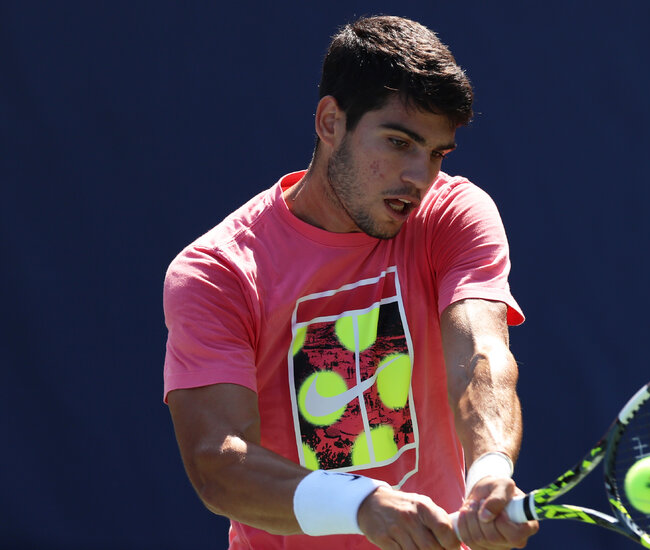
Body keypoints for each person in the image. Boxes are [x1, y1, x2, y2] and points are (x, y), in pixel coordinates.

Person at [162, 15, 538, 550]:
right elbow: (218, 464)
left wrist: (489, 469)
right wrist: (361, 505)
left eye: (436, 153)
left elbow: (481, 354)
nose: (420, 177)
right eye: (398, 142)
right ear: (330, 122)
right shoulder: (217, 272)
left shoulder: (453, 215)